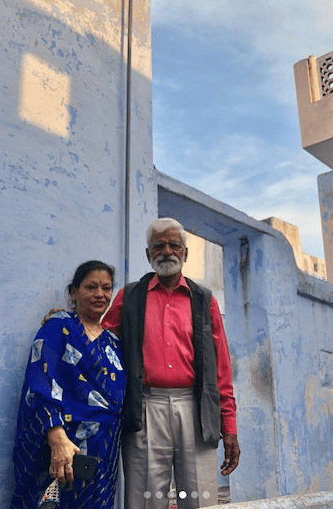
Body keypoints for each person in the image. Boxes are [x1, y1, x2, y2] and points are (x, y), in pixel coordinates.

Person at [102, 217, 240, 509]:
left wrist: (229, 425)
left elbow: (221, 369)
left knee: (200, 499)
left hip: (196, 408)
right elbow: (98, 341)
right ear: (148, 254)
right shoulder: (129, 297)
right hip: (144, 407)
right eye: (158, 246)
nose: (167, 251)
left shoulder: (204, 300)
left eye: (174, 245)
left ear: (185, 253)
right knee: (145, 499)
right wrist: (67, 322)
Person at [11, 260, 126, 509]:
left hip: (103, 451)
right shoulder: (59, 327)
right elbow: (40, 379)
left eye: (106, 288)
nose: (99, 294)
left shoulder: (113, 341)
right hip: (64, 444)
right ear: (74, 292)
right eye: (91, 287)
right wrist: (56, 437)